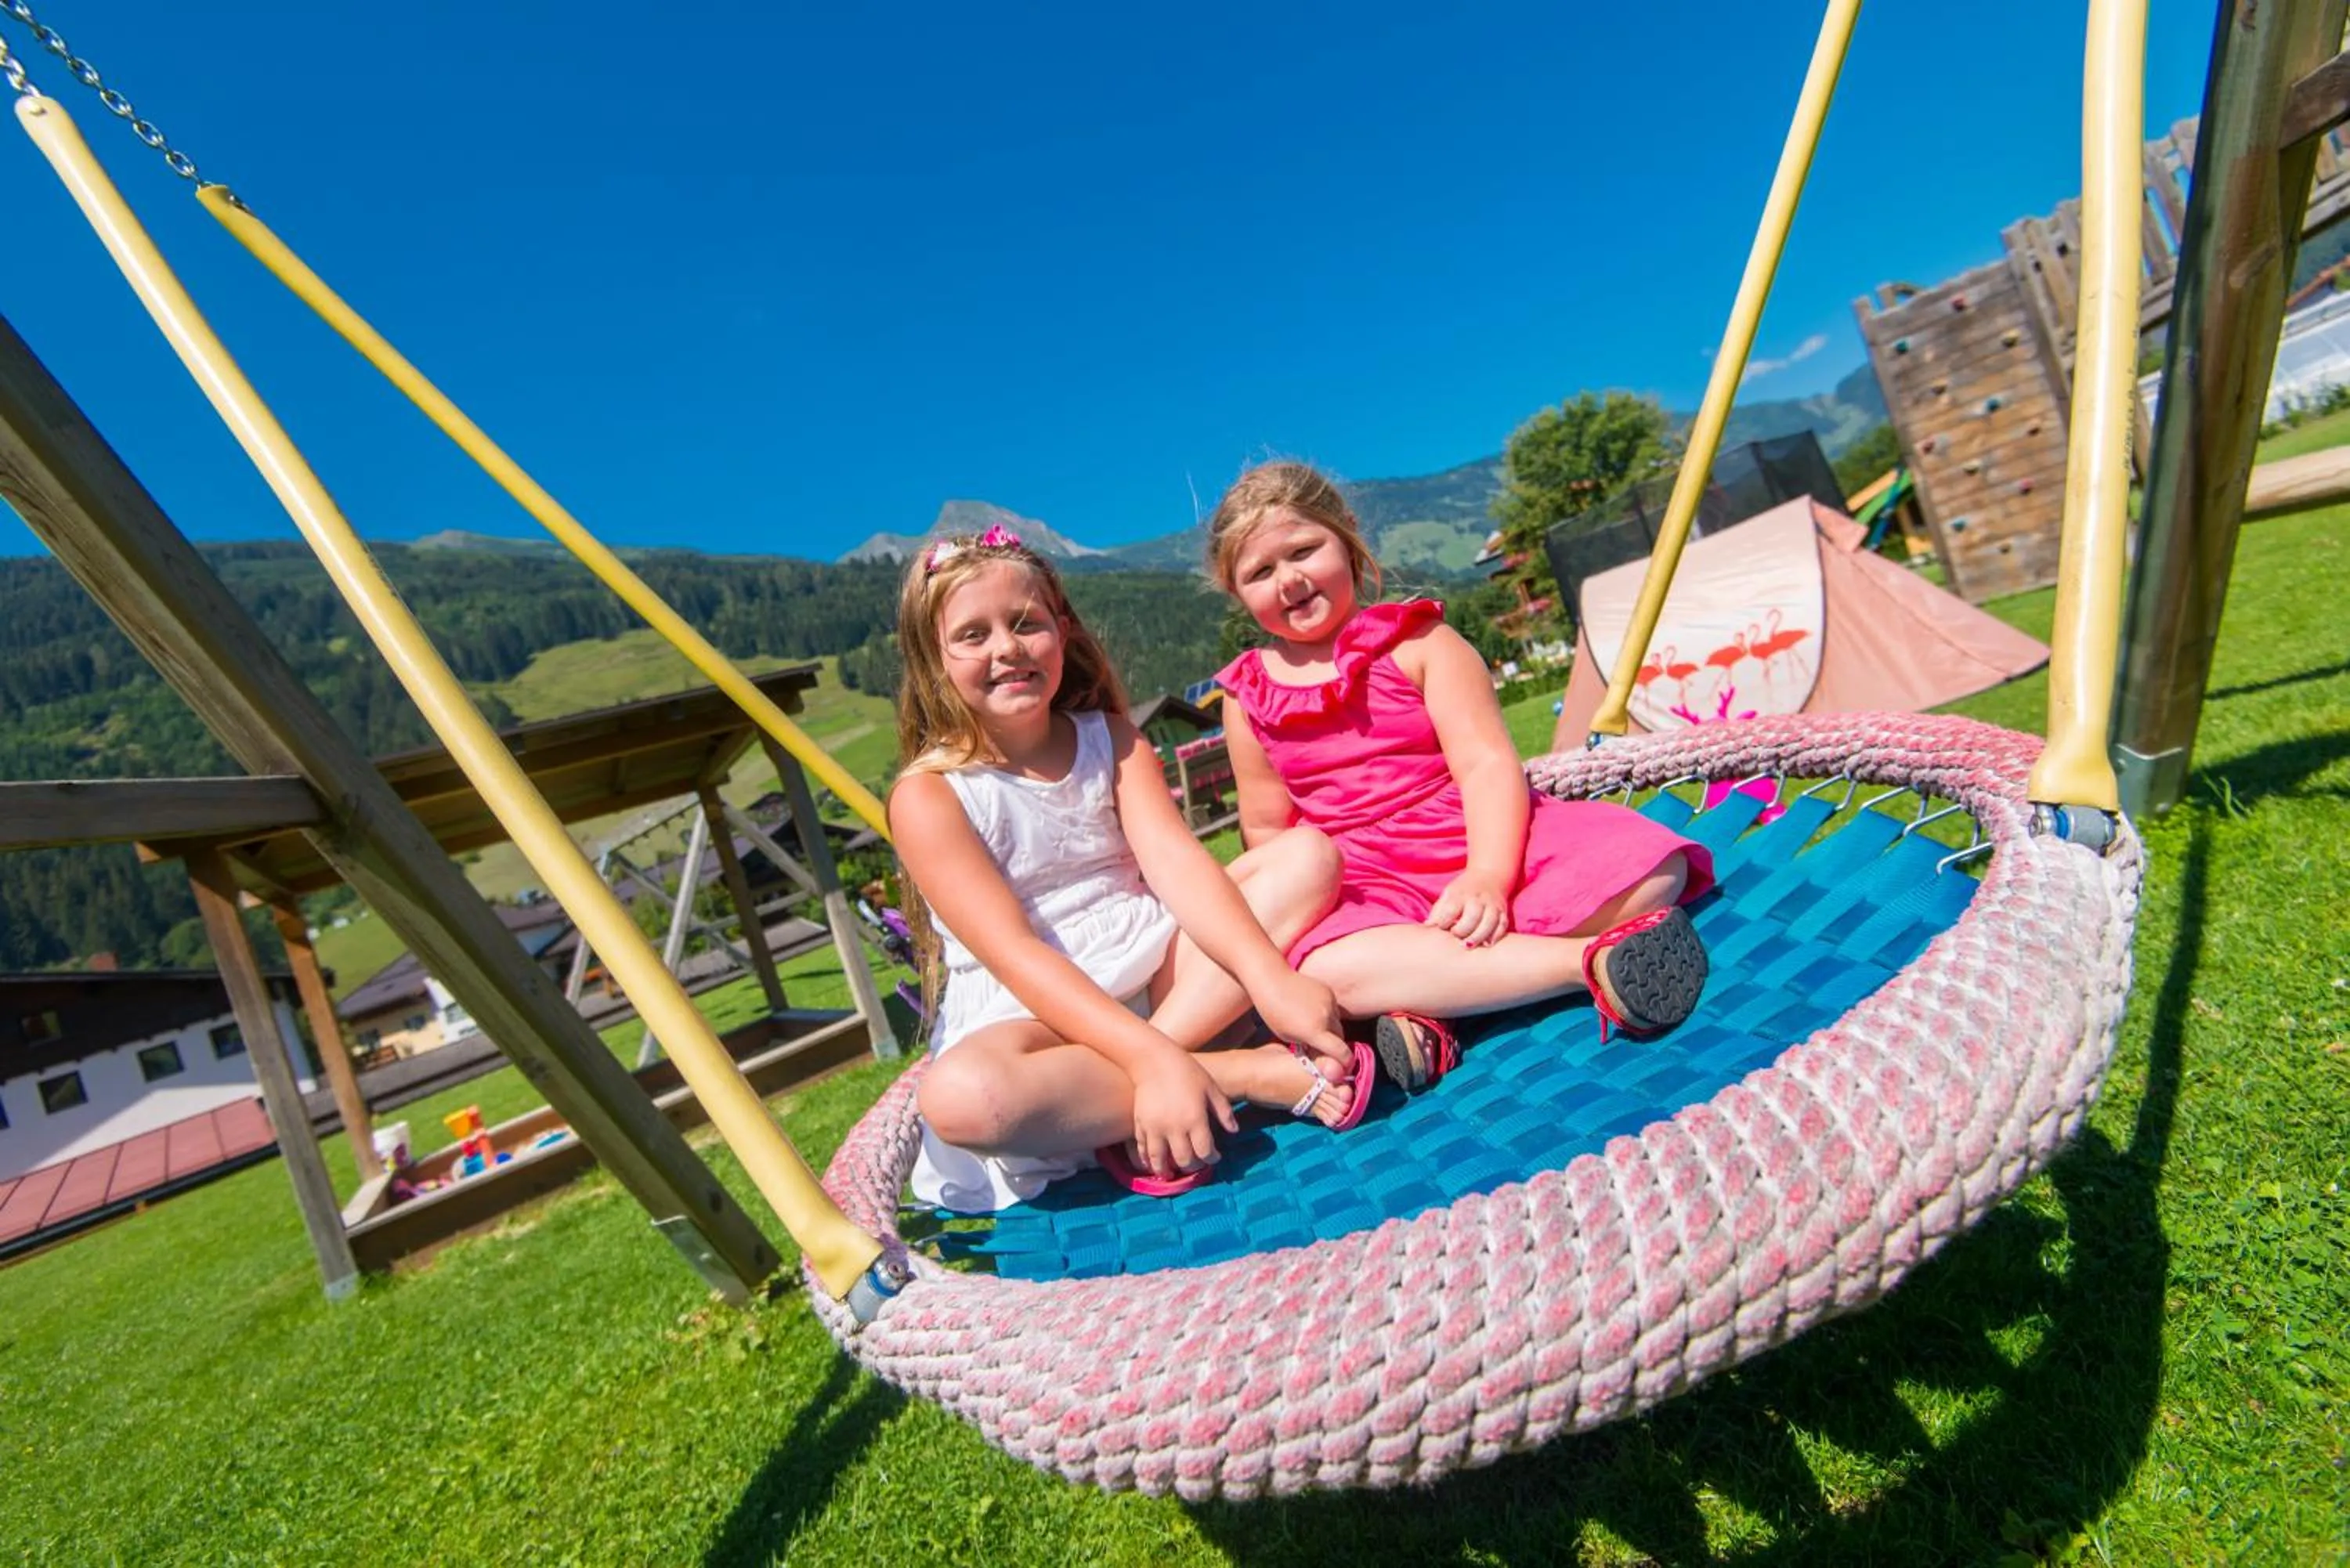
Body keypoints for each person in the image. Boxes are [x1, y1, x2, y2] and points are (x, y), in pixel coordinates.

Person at [888, 524, 1375, 1212]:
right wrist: (1152, 1060)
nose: (1007, 649)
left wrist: (1267, 979)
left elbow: (1180, 868)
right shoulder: (930, 796)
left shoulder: (1109, 739)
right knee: (962, 1098)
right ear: (933, 660)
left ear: (1063, 630)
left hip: (1157, 973)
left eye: (1026, 624)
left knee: (1306, 856)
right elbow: (1017, 954)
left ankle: (1121, 1100)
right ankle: (1232, 1071)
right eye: (973, 635)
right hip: (1034, 1015)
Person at [1208, 461, 1716, 1093]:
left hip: (1470, 835)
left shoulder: (1417, 642)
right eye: (1260, 573)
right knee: (1332, 971)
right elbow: (1266, 828)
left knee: (1651, 871)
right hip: (1361, 883)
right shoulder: (1247, 696)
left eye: (1303, 551)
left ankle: (1434, 1000)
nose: (1289, 580)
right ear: (1237, 592)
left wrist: (1488, 876)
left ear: (1346, 538)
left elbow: (1486, 765)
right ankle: (1585, 963)